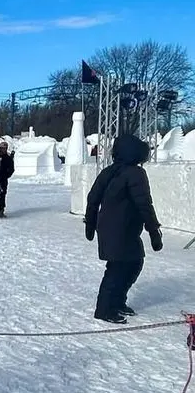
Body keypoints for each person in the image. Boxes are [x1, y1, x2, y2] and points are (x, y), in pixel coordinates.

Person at [84, 134, 162, 325]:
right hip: (122, 230)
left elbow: (92, 199)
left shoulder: (109, 171)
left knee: (133, 263)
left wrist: (91, 223)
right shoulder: (135, 173)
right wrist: (153, 231)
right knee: (118, 268)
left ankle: (117, 302)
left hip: (112, 228)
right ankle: (104, 309)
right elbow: (145, 205)